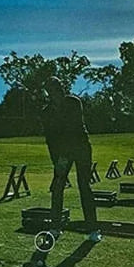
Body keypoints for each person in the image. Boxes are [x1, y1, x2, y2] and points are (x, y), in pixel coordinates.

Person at [42, 76, 101, 242]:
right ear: (49, 92)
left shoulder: (74, 103)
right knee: (57, 187)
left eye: (58, 87)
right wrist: (57, 163)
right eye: (53, 89)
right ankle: (55, 227)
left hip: (81, 148)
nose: (57, 92)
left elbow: (72, 130)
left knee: (84, 186)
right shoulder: (46, 112)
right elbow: (51, 139)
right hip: (61, 153)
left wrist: (63, 158)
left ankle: (93, 229)